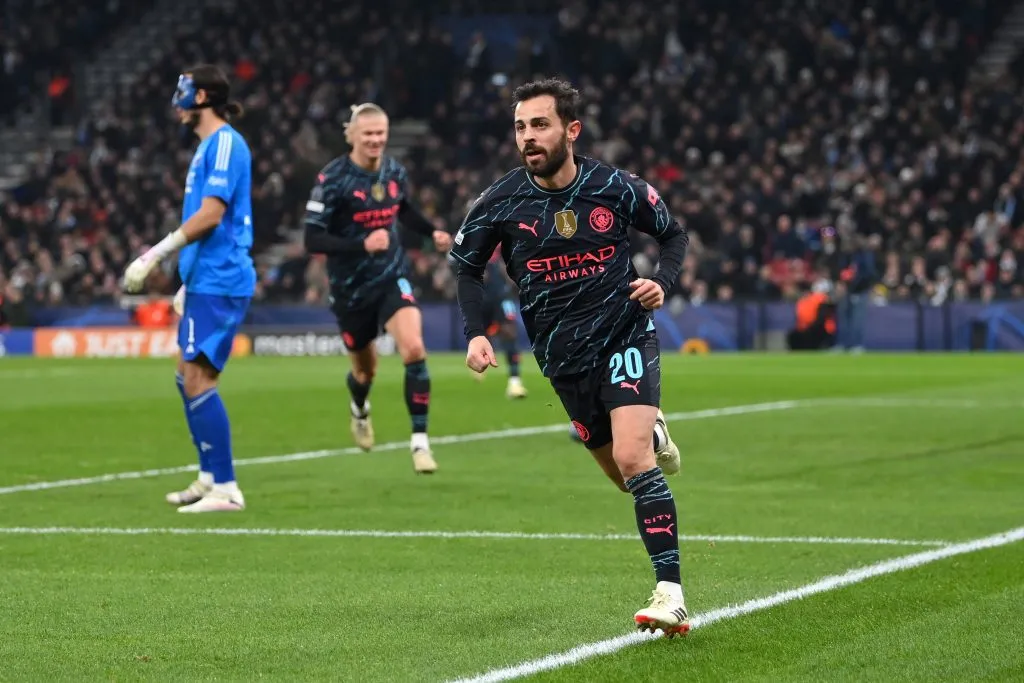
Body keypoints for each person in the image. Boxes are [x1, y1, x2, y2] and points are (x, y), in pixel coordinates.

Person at [449, 78, 689, 636]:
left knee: (632, 459)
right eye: (520, 127)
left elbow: (673, 235)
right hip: (561, 360)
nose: (527, 137)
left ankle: (671, 594)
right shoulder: (500, 201)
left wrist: (662, 283)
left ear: (571, 130)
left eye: (540, 124)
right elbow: (466, 267)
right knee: (626, 478)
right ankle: (652, 431)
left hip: (625, 336)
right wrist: (475, 333)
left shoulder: (614, 186)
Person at [122, 65, 255, 512]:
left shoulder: (225, 144)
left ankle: (227, 489)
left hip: (222, 278)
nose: (176, 101)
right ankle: (208, 476)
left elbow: (211, 216)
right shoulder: (207, 147)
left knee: (199, 378)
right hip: (205, 278)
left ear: (201, 97)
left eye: (183, 91)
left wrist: (153, 255)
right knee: (186, 374)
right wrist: (188, 279)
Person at [304, 103, 452, 474]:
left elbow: (404, 209)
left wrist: (431, 231)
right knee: (364, 374)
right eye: (368, 134)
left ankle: (420, 443)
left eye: (380, 133)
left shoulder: (394, 171)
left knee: (414, 349)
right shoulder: (333, 179)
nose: (375, 140)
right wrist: (362, 244)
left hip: (391, 277)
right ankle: (359, 408)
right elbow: (312, 238)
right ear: (352, 135)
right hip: (351, 290)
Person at [473, 245, 528, 399]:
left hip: (502, 295)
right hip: (482, 297)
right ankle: (479, 361)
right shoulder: (475, 237)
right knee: (482, 335)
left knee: (509, 332)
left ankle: (515, 381)